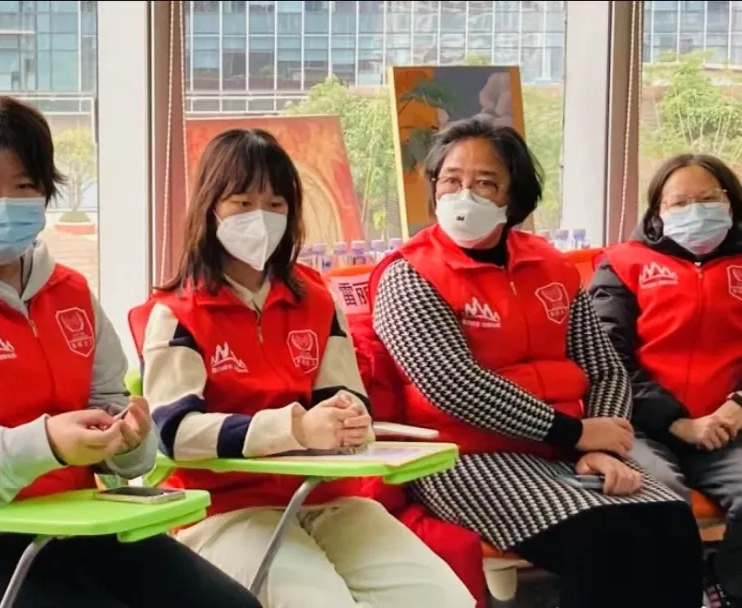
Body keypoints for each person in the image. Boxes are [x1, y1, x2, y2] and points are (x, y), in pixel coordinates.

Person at [0, 92, 260, 608]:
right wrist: (45, 445)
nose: (5, 202)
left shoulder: (69, 293)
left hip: (79, 524)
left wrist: (127, 440)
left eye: (24, 186)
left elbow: (120, 429)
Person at [369, 117, 704, 608]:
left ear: (514, 196)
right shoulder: (407, 275)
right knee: (602, 541)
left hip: (562, 448)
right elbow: (453, 386)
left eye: (485, 183)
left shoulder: (549, 264)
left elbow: (605, 368)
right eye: (451, 181)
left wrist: (604, 445)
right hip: (461, 458)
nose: (465, 195)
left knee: (672, 525)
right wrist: (574, 434)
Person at [135, 128, 474, 608]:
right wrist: (294, 428)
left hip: (329, 499)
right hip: (226, 510)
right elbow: (173, 432)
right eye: (242, 202)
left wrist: (350, 419)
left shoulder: (316, 300)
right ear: (210, 208)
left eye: (275, 204)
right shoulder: (177, 312)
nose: (261, 217)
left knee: (443, 599)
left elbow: (345, 398)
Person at [589, 153, 742, 606]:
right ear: (657, 211)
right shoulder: (621, 264)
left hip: (728, 427)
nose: (695, 211)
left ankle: (726, 588)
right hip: (642, 427)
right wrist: (676, 421)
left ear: (731, 203)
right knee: (659, 500)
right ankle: (680, 592)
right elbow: (605, 358)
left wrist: (737, 404)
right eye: (679, 203)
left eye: (708, 199)